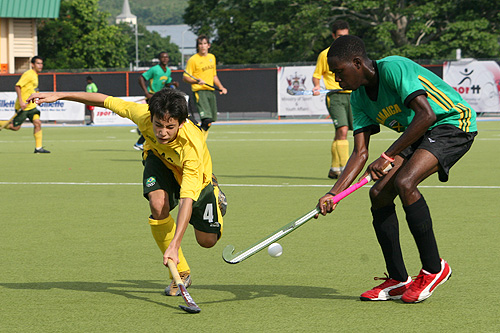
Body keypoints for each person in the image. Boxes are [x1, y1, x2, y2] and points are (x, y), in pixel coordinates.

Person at [317, 35, 477, 303]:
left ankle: (434, 269)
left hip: (452, 122)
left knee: (405, 182)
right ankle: (398, 279)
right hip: (418, 132)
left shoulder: (393, 68)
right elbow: (360, 152)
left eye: (340, 72)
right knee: (378, 194)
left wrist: (388, 155)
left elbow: (427, 115)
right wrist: (334, 193)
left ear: (357, 63)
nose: (336, 80)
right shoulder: (358, 99)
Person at [27, 88, 228, 296]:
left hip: (195, 177)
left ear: (182, 123)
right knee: (157, 204)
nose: (163, 132)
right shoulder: (141, 114)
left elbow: (187, 199)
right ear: (151, 117)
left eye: (170, 127)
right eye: (158, 125)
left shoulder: (192, 146)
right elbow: (105, 100)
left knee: (207, 242)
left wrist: (175, 245)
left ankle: (215, 194)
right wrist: (60, 95)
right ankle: (181, 274)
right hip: (160, 160)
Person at [312, 20, 352, 179]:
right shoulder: (325, 54)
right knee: (342, 130)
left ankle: (334, 168)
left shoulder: (352, 53)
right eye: (340, 36)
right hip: (335, 96)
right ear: (333, 35)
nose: (342, 39)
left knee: (343, 133)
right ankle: (345, 169)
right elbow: (316, 76)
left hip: (352, 95)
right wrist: (316, 86)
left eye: (346, 36)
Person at [0, 56, 50, 153]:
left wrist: (38, 98)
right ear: (32, 65)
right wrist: (22, 102)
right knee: (15, 128)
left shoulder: (35, 75)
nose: (41, 66)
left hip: (32, 106)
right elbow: (18, 86)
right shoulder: (28, 74)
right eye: (38, 63)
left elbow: (32, 89)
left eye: (41, 63)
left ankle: (38, 148)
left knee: (37, 123)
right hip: (23, 106)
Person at [183, 35, 227, 139]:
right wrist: (196, 81)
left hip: (210, 91)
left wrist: (221, 87)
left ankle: (200, 140)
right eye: (200, 44)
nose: (203, 46)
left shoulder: (212, 57)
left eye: (205, 44)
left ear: (209, 45)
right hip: (200, 92)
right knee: (206, 120)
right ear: (197, 46)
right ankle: (198, 141)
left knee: (210, 120)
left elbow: (214, 76)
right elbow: (185, 77)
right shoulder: (193, 60)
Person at [134, 51, 179, 151]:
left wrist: (173, 83)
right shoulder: (154, 69)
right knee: (155, 120)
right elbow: (141, 78)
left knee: (156, 120)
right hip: (152, 96)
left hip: (161, 97)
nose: (165, 59)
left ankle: (141, 135)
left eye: (166, 57)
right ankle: (140, 142)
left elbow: (166, 83)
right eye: (163, 57)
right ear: (159, 59)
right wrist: (146, 92)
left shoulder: (168, 71)